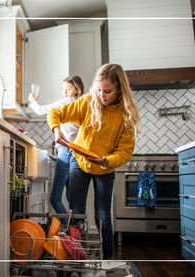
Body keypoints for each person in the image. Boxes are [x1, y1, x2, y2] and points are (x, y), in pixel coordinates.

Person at [47, 64, 141, 259]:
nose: (102, 95)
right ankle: (77, 259)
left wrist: (106, 161)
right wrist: (57, 129)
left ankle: (107, 261)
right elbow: (55, 113)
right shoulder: (88, 101)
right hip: (79, 163)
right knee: (77, 214)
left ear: (119, 90)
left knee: (103, 217)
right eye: (98, 90)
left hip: (105, 168)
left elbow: (125, 151)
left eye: (107, 91)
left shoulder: (125, 115)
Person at [28, 76, 84, 223]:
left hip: (66, 151)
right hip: (75, 152)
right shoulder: (80, 104)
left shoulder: (67, 102)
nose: (65, 93)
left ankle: (70, 230)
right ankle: (75, 232)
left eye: (68, 89)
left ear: (77, 89)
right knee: (71, 197)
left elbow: (41, 110)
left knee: (54, 198)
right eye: (63, 90)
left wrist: (33, 99)